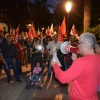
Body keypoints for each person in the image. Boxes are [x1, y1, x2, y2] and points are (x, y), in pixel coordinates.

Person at [51, 33, 100, 100]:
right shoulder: (98, 59)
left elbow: (63, 78)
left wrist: (55, 65)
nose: (77, 45)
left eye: (79, 43)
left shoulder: (80, 62)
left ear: (84, 45)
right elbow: (84, 75)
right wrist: (75, 61)